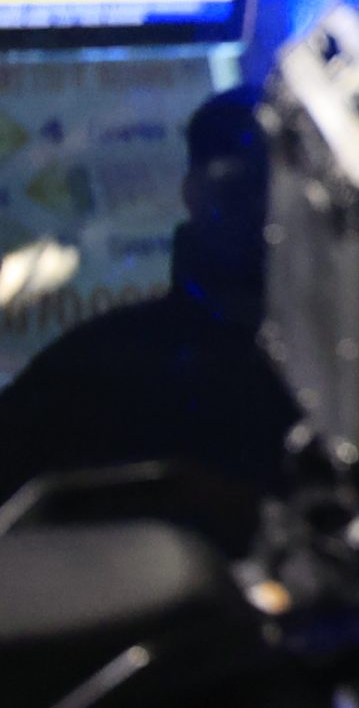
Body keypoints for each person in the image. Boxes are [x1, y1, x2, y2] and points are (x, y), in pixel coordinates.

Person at [0, 88, 298, 535]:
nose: (266, 212)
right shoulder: (92, 374)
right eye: (246, 185)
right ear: (195, 192)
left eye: (285, 192)